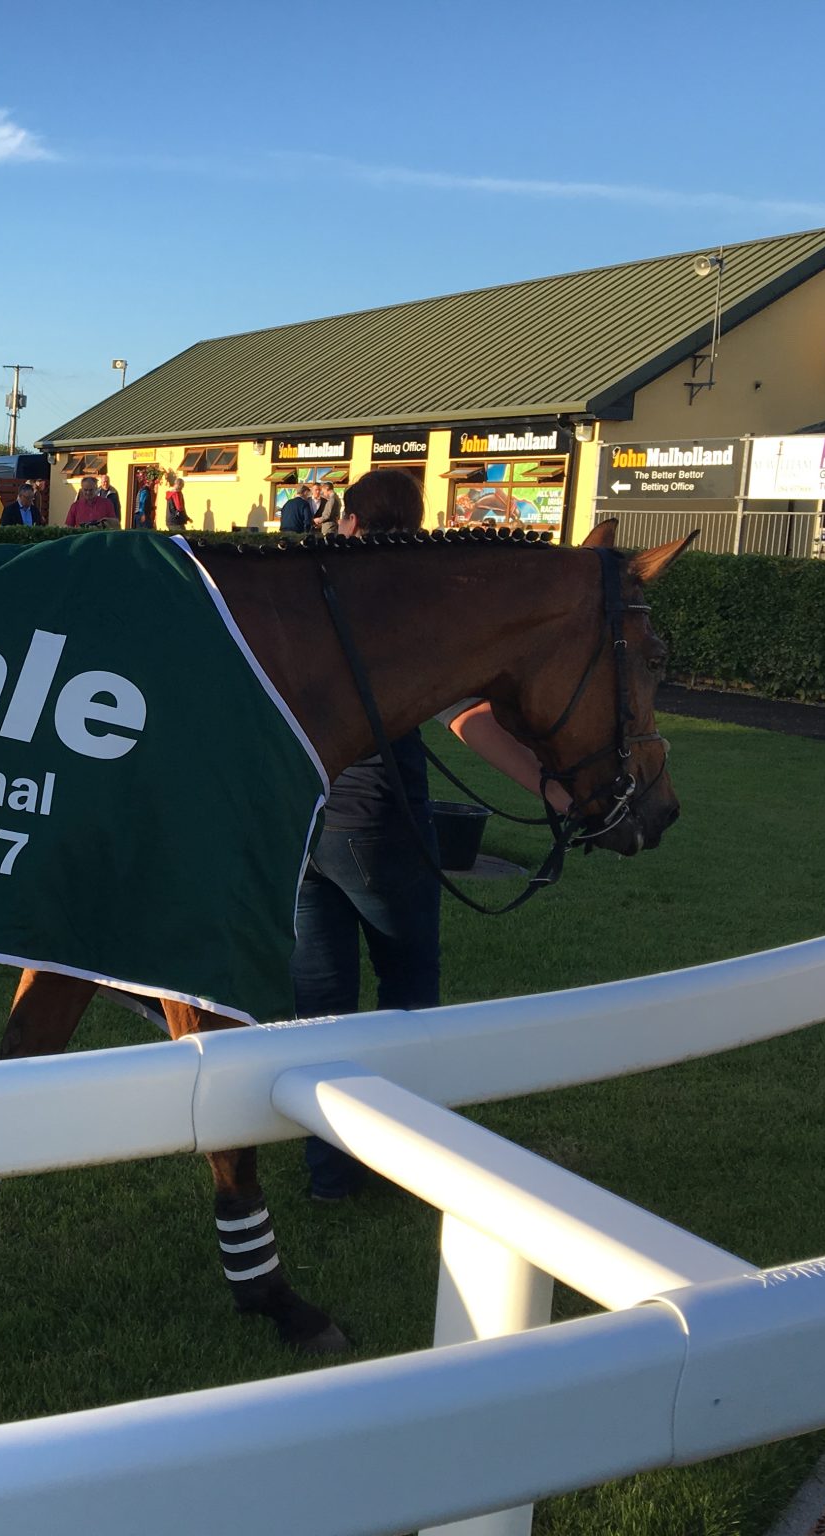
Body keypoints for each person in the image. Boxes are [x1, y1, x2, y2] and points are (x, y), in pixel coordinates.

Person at [294, 469, 571, 1200]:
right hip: (378, 828)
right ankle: (406, 1159)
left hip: (305, 827)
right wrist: (552, 788)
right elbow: (467, 718)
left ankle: (329, 1172)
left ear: (349, 521)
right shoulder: (407, 613)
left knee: (319, 1013)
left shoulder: (309, 598)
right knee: (409, 992)